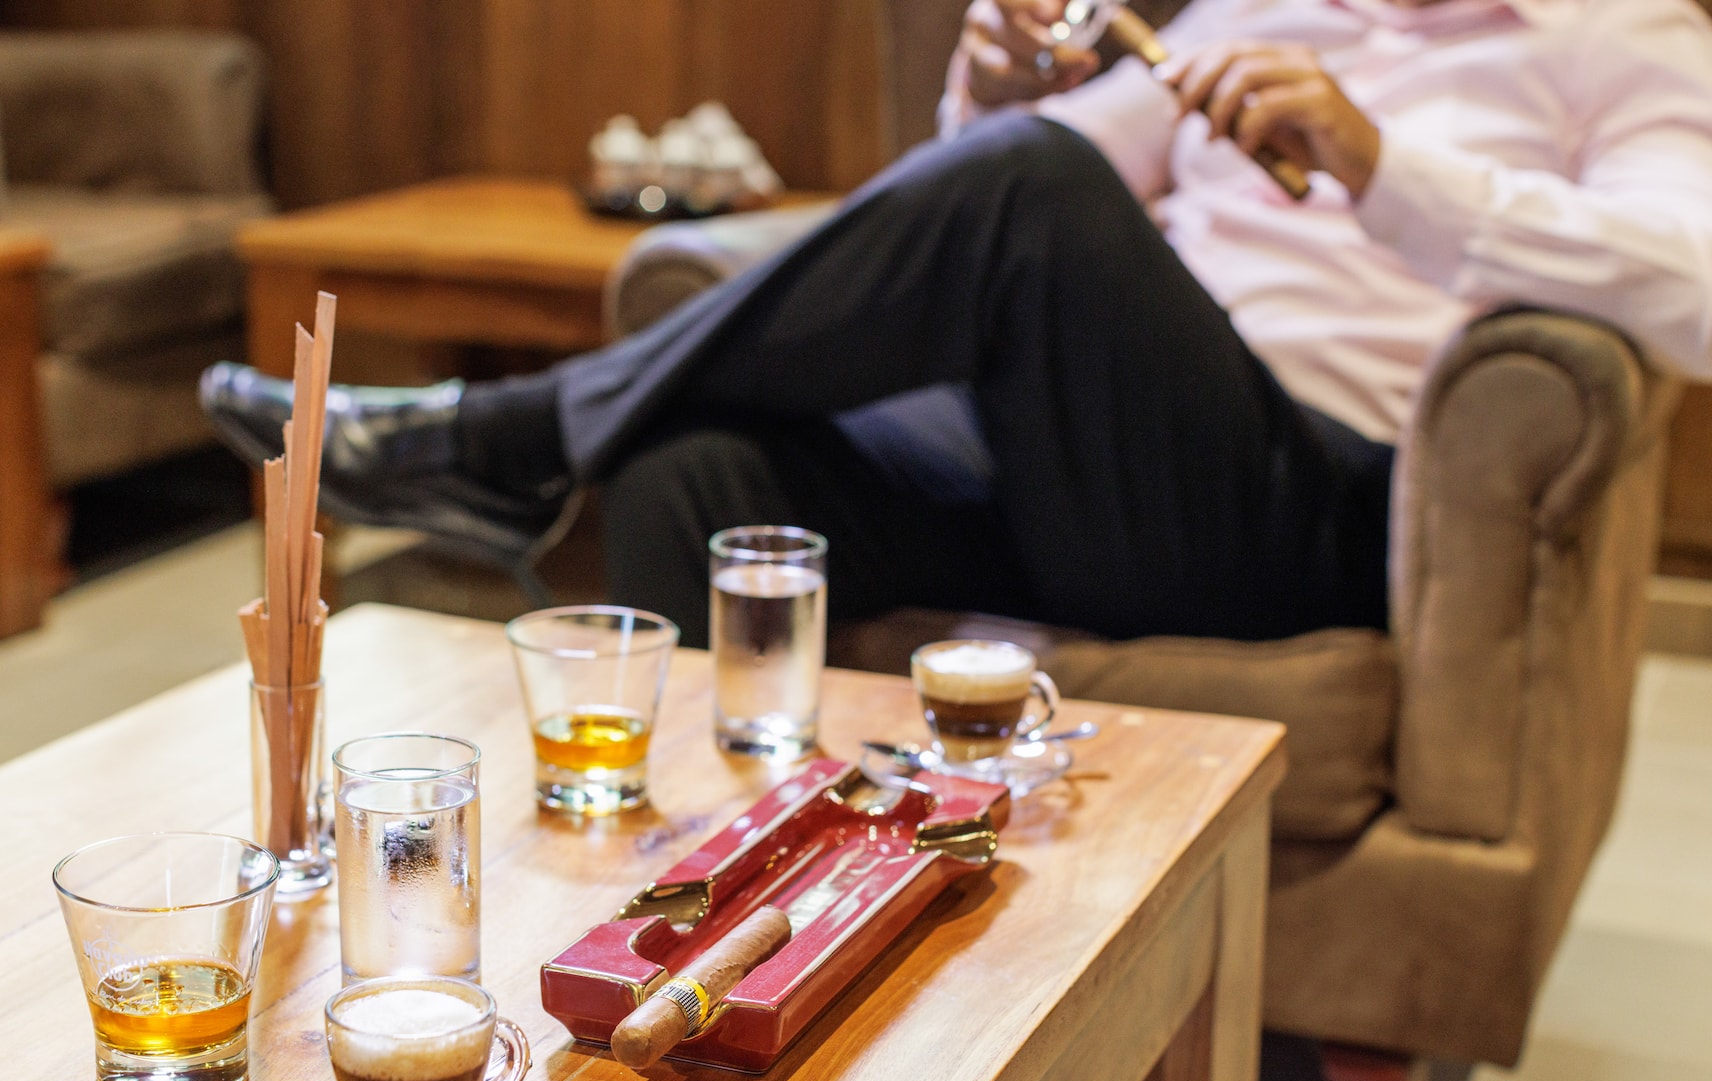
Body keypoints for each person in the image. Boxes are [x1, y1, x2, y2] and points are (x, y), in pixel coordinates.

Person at [202, 0, 1712, 648]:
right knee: (704, 467)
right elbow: (983, 200)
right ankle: (692, 921)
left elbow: (1693, 291)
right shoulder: (1268, 11)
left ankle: (505, 437)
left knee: (1036, 197)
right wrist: (991, 95)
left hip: (1300, 509)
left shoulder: (1615, 36)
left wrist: (1394, 171)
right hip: (1085, 468)